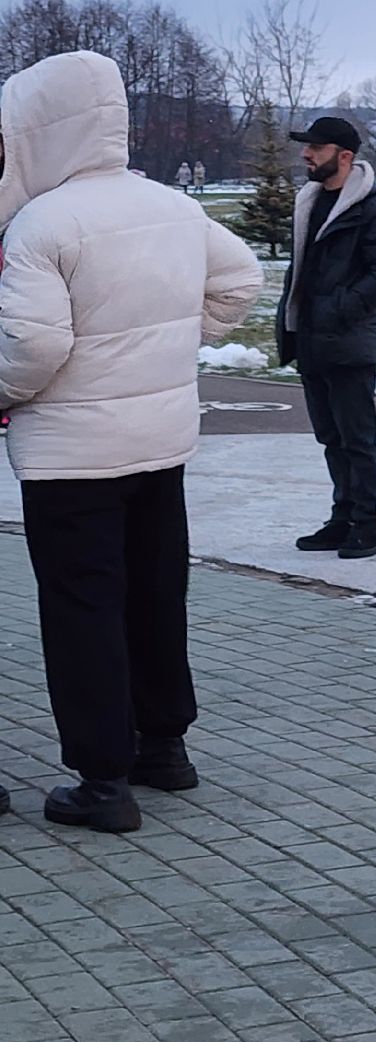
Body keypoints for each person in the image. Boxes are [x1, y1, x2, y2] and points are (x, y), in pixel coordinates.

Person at [0, 50, 262, 832]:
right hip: (162, 441)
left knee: (83, 608)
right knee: (155, 594)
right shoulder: (173, 206)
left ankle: (101, 780)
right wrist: (170, 352)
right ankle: (165, 745)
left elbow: (31, 350)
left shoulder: (41, 222)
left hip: (71, 456)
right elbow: (239, 279)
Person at [275, 116, 376, 560]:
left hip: (348, 342)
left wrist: (340, 307)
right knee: (330, 437)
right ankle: (342, 517)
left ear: (344, 156)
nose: (307, 155)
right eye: (306, 147)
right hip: (311, 339)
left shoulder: (373, 208)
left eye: (316, 147)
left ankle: (370, 525)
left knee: (357, 439)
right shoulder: (309, 201)